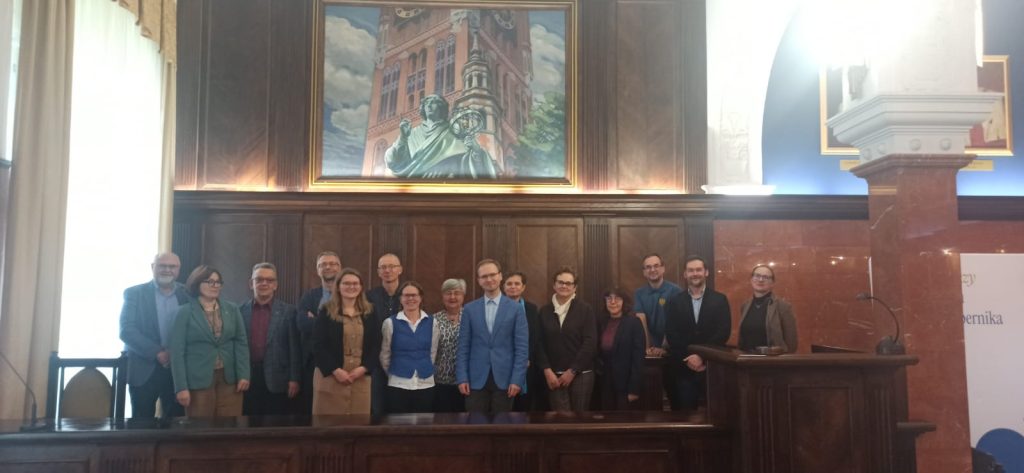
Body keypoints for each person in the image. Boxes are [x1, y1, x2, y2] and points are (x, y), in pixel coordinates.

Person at [171, 265, 250, 417]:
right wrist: (181, 387)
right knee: (200, 429)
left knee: (230, 427)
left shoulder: (232, 309)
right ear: (197, 283)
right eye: (209, 281)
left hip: (229, 379)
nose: (215, 286)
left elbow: (241, 343)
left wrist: (244, 374)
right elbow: (177, 352)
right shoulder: (184, 312)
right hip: (198, 379)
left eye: (218, 282)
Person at [119, 252, 189, 419]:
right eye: (162, 266)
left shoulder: (187, 294)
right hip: (144, 369)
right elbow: (126, 330)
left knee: (175, 424)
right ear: (152, 267)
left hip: (177, 371)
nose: (167, 270)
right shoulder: (134, 293)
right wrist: (158, 353)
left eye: (172, 266)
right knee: (141, 426)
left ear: (178, 269)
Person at [456, 259, 529, 414]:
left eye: (492, 275)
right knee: (474, 428)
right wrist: (462, 377)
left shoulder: (516, 309)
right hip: (475, 380)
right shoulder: (469, 309)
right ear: (478, 281)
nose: (489, 279)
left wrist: (517, 380)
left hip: (505, 380)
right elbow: (463, 346)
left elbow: (522, 349)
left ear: (500, 276)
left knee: (502, 430)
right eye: (484, 276)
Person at [664, 255, 731, 410]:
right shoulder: (675, 301)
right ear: (685, 274)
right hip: (683, 366)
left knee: (716, 414)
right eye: (691, 270)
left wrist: (701, 356)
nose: (695, 273)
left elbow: (723, 332)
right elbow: (671, 332)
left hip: (712, 367)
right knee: (685, 415)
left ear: (706, 272)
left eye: (698, 270)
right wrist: (690, 357)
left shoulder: (720, 300)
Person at [311, 268, 380, 415]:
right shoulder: (326, 311)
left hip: (360, 378)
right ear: (338, 286)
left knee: (358, 426)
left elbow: (377, 344)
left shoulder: (370, 311)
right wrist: (336, 371)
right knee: (328, 426)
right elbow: (318, 345)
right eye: (346, 283)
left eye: (355, 283)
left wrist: (363, 368)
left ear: (361, 287)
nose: (351, 287)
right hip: (331, 377)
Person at [385, 94, 498, 179]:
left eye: (434, 102)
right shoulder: (411, 133)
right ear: (423, 108)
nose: (429, 105)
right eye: (426, 103)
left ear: (441, 107)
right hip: (416, 190)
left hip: (448, 187)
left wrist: (476, 150)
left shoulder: (454, 131)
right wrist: (403, 138)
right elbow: (394, 162)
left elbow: (469, 163)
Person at [239, 262, 301, 416]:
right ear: (251, 284)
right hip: (247, 377)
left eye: (269, 280)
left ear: (275, 285)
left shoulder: (289, 311)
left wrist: (295, 378)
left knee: (276, 426)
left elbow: (294, 348)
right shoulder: (239, 311)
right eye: (259, 279)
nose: (264, 283)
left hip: (278, 379)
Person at [536, 268, 597, 413]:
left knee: (579, 421)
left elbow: (590, 342)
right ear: (554, 285)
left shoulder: (585, 309)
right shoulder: (544, 311)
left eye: (569, 283)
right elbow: (538, 343)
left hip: (581, 375)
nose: (564, 286)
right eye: (561, 282)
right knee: (560, 421)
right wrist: (547, 370)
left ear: (575, 287)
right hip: (553, 376)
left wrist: (573, 370)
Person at [379, 281, 439, 413]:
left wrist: (424, 366)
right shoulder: (390, 323)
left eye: (414, 295)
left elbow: (433, 351)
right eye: (406, 295)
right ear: (400, 299)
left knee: (424, 425)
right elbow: (385, 354)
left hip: (425, 382)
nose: (410, 299)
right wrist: (394, 372)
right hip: (398, 383)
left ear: (420, 298)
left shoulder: (432, 322)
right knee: (399, 426)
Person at [295, 251, 342, 415]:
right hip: (312, 363)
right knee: (313, 410)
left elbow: (350, 327)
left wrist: (316, 321)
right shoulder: (309, 296)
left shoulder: (350, 294)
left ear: (340, 268)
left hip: (342, 363)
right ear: (317, 270)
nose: (328, 267)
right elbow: (302, 324)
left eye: (332, 263)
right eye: (323, 264)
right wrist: (333, 324)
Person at [366, 253, 403, 416]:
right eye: (383, 267)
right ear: (378, 272)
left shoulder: (409, 294)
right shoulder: (369, 297)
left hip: (403, 359)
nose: (388, 270)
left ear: (400, 270)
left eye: (392, 266)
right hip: (376, 360)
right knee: (377, 409)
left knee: (400, 409)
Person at [596, 288, 646, 410]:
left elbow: (638, 358)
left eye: (617, 299)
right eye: (609, 299)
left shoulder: (634, 323)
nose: (613, 302)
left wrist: (634, 389)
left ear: (624, 302)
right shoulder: (600, 321)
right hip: (604, 383)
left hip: (626, 385)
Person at [504, 271, 545, 412]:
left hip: (527, 366)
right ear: (503, 287)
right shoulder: (497, 308)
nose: (513, 287)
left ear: (523, 287)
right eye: (509, 283)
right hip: (502, 365)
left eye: (517, 284)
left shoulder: (531, 309)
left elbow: (535, 338)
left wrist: (525, 358)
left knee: (524, 408)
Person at [737, 264, 798, 353]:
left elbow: (791, 344)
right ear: (751, 279)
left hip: (771, 363)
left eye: (766, 277)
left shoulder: (783, 307)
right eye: (757, 276)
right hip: (746, 361)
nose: (760, 280)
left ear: (772, 283)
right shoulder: (745, 305)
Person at [633, 253, 681, 355]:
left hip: (671, 347)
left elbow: (675, 320)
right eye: (648, 267)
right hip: (647, 347)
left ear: (663, 268)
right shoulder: (639, 293)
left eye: (656, 266)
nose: (652, 270)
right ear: (644, 272)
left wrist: (664, 347)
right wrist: (647, 347)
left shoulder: (675, 291)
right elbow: (641, 320)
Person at [433, 278, 466, 413]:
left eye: (457, 293)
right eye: (448, 293)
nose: (452, 297)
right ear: (442, 296)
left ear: (463, 296)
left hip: (465, 381)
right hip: (440, 381)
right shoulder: (434, 319)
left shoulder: (471, 316)